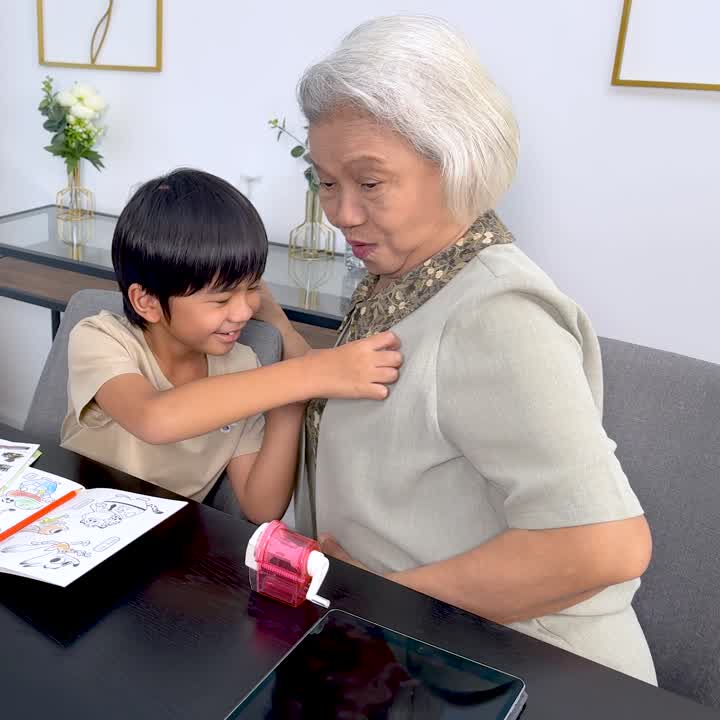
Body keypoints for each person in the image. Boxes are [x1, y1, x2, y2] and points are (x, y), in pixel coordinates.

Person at [294, 15, 655, 682]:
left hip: (519, 670)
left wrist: (380, 595)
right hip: (404, 650)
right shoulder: (406, 279)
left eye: (369, 183)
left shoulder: (498, 313)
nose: (340, 213)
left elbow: (607, 547)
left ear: (454, 162)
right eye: (326, 182)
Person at [61, 168, 402, 523]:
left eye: (252, 288)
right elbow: (154, 419)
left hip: (161, 543)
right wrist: (309, 373)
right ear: (146, 302)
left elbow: (261, 506)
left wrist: (290, 400)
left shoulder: (243, 368)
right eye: (221, 300)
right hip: (70, 524)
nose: (243, 311)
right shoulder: (100, 338)